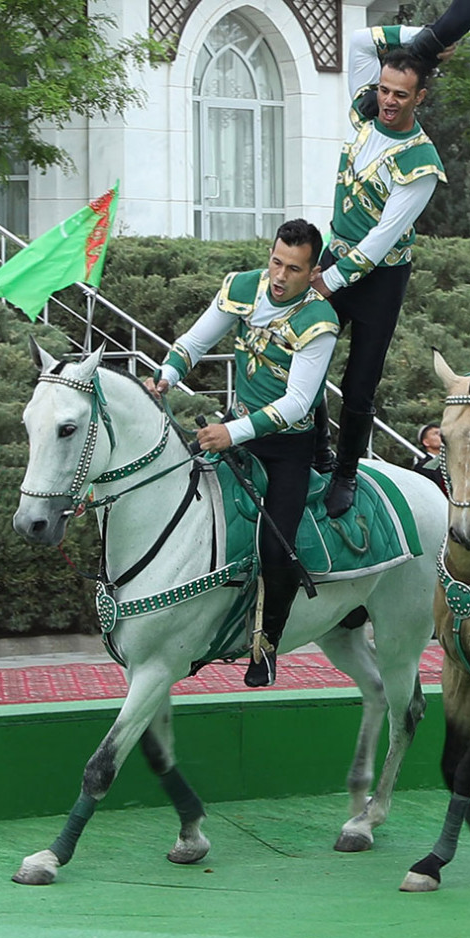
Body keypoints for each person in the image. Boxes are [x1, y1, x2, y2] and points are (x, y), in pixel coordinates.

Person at [155, 218, 338, 688]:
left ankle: (267, 647)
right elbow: (195, 342)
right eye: (276, 261)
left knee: (277, 549)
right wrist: (166, 376)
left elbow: (298, 402)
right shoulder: (242, 287)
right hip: (234, 428)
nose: (279, 276)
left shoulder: (320, 321)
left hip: (287, 447)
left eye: (294, 269)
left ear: (312, 271)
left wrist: (231, 433)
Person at [310, 24, 446, 518]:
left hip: (380, 274)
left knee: (360, 378)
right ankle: (320, 451)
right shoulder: (366, 112)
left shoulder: (421, 162)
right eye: (385, 90)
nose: (388, 100)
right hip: (335, 254)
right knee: (302, 350)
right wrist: (427, 35)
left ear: (419, 97)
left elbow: (382, 238)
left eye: (401, 95)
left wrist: (331, 278)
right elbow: (360, 43)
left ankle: (346, 472)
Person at [412, 422, 447, 493]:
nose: (441, 436)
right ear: (426, 442)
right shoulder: (422, 467)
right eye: (436, 433)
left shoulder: (451, 461)